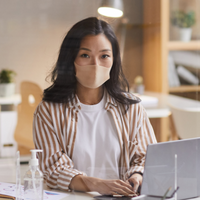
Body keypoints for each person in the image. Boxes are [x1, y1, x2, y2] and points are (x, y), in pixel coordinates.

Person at [33, 17, 157, 197]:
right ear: (70, 59)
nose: (96, 64)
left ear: (114, 60)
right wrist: (98, 184)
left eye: (104, 56)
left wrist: (138, 176)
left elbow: (146, 158)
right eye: (85, 55)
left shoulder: (131, 108)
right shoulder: (48, 111)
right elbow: (53, 170)